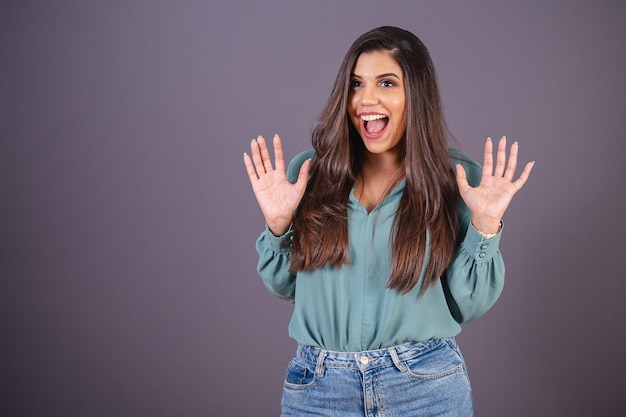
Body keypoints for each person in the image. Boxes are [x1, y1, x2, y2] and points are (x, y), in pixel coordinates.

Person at [243, 26, 533, 417]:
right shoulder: (309, 174)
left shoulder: (458, 181)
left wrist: (484, 225)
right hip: (318, 389)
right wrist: (279, 226)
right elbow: (284, 288)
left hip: (423, 386)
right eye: (356, 84)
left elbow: (468, 305)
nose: (367, 99)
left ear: (416, 94)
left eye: (386, 83)